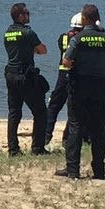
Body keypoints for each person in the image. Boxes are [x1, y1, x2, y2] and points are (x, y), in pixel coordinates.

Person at [58, 3, 105, 180]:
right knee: (98, 128)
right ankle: (99, 171)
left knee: (75, 126)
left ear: (84, 19)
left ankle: (73, 170)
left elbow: (66, 62)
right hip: (100, 87)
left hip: (79, 86)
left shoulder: (78, 38)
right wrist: (101, 68)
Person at [2, 1, 51, 156]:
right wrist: (34, 49)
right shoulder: (28, 32)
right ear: (19, 16)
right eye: (26, 13)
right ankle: (37, 148)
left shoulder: (7, 33)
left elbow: (18, 50)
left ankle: (13, 149)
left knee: (14, 112)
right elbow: (42, 50)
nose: (29, 15)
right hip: (24, 75)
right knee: (40, 112)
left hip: (10, 74)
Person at [43, 10, 83, 140]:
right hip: (76, 74)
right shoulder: (82, 38)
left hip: (62, 74)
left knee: (54, 105)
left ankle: (46, 135)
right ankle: (67, 138)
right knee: (74, 107)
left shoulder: (63, 37)